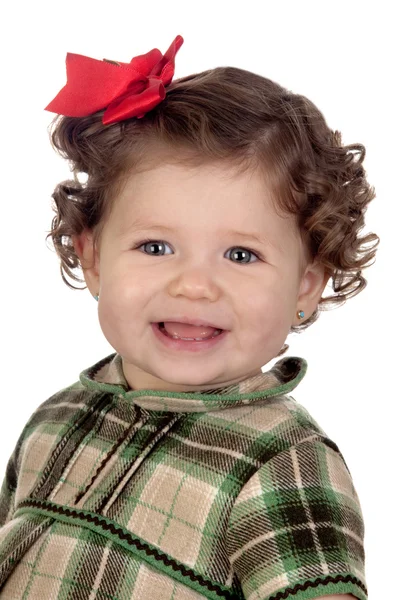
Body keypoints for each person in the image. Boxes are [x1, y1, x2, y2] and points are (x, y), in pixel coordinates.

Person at [0, 35, 379, 600]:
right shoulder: (56, 418)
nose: (195, 286)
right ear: (94, 258)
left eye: (241, 255)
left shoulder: (283, 462)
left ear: (306, 285)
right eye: (155, 246)